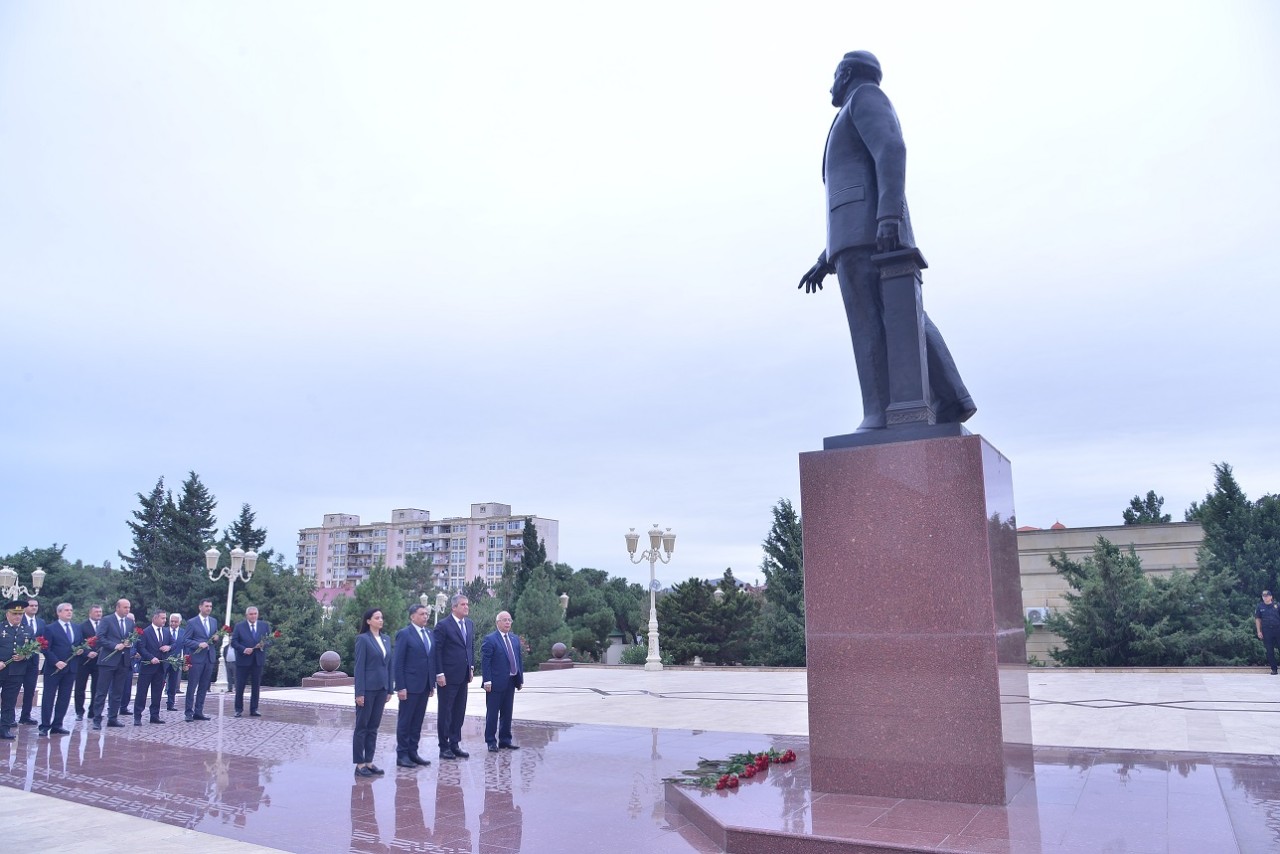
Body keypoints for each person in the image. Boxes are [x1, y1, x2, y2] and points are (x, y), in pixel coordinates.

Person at [798, 50, 975, 432]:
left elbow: (891, 149)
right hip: (855, 236)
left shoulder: (864, 98)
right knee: (905, 316)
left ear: (845, 74)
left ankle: (878, 414)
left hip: (869, 233)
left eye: (833, 76)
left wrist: (888, 216)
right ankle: (953, 397)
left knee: (869, 325)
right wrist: (827, 257)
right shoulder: (852, 107)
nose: (830, 84)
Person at [392, 604, 437, 768]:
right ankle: (402, 754)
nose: (426, 616)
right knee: (405, 721)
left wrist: (431, 683)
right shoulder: (404, 634)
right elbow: (398, 663)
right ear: (412, 616)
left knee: (417, 721)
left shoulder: (429, 633)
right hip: (409, 687)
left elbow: (431, 660)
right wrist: (401, 686)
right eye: (422, 614)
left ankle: (413, 752)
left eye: (427, 614)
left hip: (424, 686)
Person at [433, 593, 475, 759]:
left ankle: (454, 744)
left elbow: (469, 647)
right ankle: (444, 747)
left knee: (459, 711)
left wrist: (471, 667)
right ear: (454, 607)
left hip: (463, 675)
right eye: (463, 604)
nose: (466, 607)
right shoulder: (443, 625)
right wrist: (439, 673)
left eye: (467, 604)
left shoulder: (469, 624)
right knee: (446, 711)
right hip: (447, 677)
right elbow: (436, 651)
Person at [353, 608, 392, 778]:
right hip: (367, 690)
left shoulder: (386, 639)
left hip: (381, 690)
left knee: (374, 727)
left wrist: (390, 688)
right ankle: (359, 764)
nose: (380, 620)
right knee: (362, 727)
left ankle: (369, 761)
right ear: (368, 621)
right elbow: (359, 667)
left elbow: (389, 665)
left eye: (381, 617)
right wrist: (359, 693)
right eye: (377, 618)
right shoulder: (363, 640)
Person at [481, 611, 524, 752]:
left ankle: (505, 740)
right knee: (493, 713)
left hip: (511, 681)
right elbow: (485, 662)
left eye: (509, 620)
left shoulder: (514, 639)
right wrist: (487, 680)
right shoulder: (490, 639)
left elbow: (518, 660)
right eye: (504, 620)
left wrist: (520, 678)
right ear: (497, 622)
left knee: (507, 712)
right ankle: (491, 741)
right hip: (494, 683)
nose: (507, 623)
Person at [91, 598, 136, 729]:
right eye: (125, 607)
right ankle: (97, 719)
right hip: (108, 661)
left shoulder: (129, 622)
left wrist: (129, 643)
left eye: (129, 607)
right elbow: (100, 638)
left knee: (117, 692)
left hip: (123, 661)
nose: (128, 610)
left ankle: (113, 718)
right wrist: (114, 645)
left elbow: (131, 638)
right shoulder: (107, 620)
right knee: (101, 691)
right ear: (118, 608)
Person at [38, 602, 82, 735]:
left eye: (71, 610)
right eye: (66, 610)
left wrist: (81, 651)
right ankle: (45, 726)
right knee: (48, 697)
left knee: (64, 697)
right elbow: (45, 648)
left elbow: (79, 645)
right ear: (59, 612)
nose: (69, 612)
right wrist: (56, 662)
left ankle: (57, 724)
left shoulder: (76, 628)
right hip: (54, 669)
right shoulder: (50, 628)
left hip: (70, 669)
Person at [0, 600, 34, 739]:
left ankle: (4, 728)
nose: (17, 617)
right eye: (14, 614)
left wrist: (24, 656)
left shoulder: (27, 630)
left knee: (9, 701)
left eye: (20, 614)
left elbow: (32, 650)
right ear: (8, 614)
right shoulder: (1, 628)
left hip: (16, 672)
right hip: (1, 669)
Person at [133, 609, 172, 725]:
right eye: (162, 618)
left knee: (157, 693)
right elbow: (141, 648)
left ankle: (154, 715)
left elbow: (174, 643)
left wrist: (169, 647)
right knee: (142, 692)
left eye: (165, 618)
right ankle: (137, 716)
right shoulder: (145, 632)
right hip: (147, 668)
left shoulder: (166, 632)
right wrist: (150, 658)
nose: (165, 620)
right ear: (155, 618)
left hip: (161, 668)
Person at [231, 606, 271, 717]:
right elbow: (234, 642)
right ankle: (238, 709)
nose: (253, 616)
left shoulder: (264, 625)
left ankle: (254, 709)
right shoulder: (239, 626)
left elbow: (269, 640)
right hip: (243, 661)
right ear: (247, 615)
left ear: (258, 614)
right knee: (240, 686)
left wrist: (263, 644)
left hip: (257, 661)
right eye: (251, 614)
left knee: (256, 686)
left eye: (255, 614)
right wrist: (243, 649)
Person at [183, 598, 218, 721]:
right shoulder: (192, 622)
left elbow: (214, 636)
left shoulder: (213, 621)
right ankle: (188, 712)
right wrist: (198, 644)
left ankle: (199, 711)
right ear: (200, 607)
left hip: (209, 658)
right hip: (197, 658)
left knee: (203, 686)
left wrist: (216, 638)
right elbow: (186, 640)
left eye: (210, 606)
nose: (209, 608)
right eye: (207, 606)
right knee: (192, 686)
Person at [17, 597, 45, 725]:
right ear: (25, 607)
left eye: (36, 606)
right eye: (31, 605)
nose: (34, 607)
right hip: (18, 661)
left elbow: (43, 639)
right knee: (14, 690)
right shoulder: (18, 619)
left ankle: (25, 716)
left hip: (33, 661)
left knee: (30, 690)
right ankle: (9, 717)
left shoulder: (41, 622)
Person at [73, 603, 102, 720]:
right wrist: (87, 653)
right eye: (96, 612)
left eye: (100, 612)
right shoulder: (82, 626)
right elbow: (78, 642)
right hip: (83, 661)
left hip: (98, 661)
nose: (99, 614)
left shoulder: (104, 626)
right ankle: (79, 712)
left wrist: (99, 653)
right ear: (90, 613)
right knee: (80, 687)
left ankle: (93, 711)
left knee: (96, 687)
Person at [1255, 590, 1280, 675]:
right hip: (1267, 631)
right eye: (1263, 596)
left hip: (1278, 629)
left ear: (1271, 597)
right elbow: (1258, 619)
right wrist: (1259, 631)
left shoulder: (1277, 605)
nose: (1265, 597)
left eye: (1266, 596)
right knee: (1269, 651)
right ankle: (1274, 669)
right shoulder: (1260, 607)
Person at [165, 612, 184, 710]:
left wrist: (185, 660)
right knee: (160, 682)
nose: (173, 623)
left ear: (179, 622)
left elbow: (185, 647)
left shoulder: (183, 632)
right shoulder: (164, 631)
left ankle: (170, 704)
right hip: (164, 661)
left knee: (173, 684)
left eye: (175, 622)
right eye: (171, 621)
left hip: (176, 662)